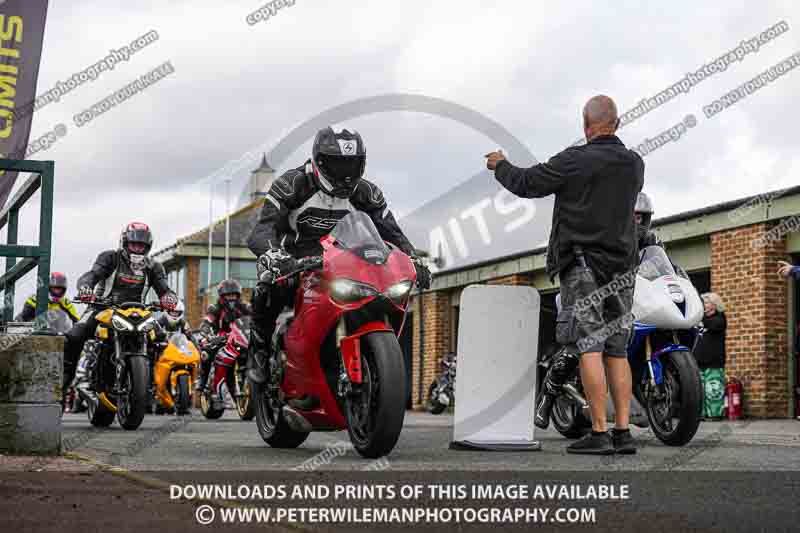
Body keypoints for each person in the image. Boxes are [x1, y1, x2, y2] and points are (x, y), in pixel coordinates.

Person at [486, 95, 643, 455]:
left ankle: (599, 433)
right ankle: (622, 431)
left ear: (585, 126)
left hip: (585, 264)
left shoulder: (575, 160)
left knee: (589, 345)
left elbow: (528, 183)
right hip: (623, 267)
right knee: (617, 350)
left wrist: (500, 165)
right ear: (616, 124)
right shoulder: (634, 164)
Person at [245, 126, 430, 384]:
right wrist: (274, 256)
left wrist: (414, 259)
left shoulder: (367, 193)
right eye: (338, 165)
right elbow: (261, 230)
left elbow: (391, 231)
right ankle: (259, 351)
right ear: (319, 161)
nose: (345, 175)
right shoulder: (291, 185)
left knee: (384, 289)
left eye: (352, 166)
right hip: (295, 260)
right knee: (268, 286)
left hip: (346, 261)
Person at [64, 222, 177, 392]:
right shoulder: (110, 258)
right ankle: (66, 377)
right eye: (134, 244)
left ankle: (152, 382)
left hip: (138, 313)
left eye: (142, 246)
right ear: (124, 243)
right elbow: (91, 275)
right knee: (74, 336)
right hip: (102, 308)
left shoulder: (154, 267)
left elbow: (164, 289)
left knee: (161, 340)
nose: (137, 249)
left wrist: (169, 299)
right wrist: (85, 288)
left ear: (148, 247)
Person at [195, 279, 251, 391]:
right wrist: (205, 330)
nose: (231, 298)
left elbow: (255, 318)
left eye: (233, 295)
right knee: (206, 351)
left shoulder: (245, 307)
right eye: (228, 295)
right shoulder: (215, 308)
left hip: (241, 338)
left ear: (238, 296)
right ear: (222, 296)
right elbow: (208, 320)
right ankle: (203, 379)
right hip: (220, 338)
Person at [693, 292, 727, 419]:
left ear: (714, 305)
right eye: (703, 303)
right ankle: (700, 414)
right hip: (698, 361)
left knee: (713, 390)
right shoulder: (700, 320)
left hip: (714, 361)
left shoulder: (720, 319)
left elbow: (713, 324)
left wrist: (699, 319)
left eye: (706, 303)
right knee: (699, 391)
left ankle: (715, 414)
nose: (704, 305)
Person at [14, 271, 80, 323]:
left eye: (60, 289)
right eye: (55, 289)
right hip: (31, 329)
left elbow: (76, 320)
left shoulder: (66, 303)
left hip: (55, 332)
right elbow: (25, 316)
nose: (57, 292)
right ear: (49, 288)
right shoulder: (36, 299)